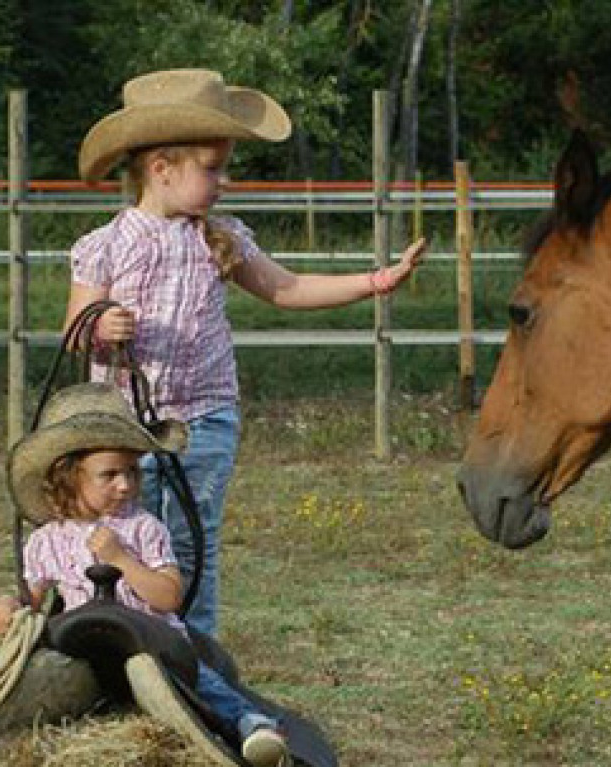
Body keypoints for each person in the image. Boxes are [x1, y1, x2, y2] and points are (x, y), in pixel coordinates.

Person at [66, 68, 426, 638]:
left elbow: (287, 288)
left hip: (205, 419)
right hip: (124, 425)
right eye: (212, 168)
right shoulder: (106, 245)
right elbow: (75, 329)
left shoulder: (223, 238)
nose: (224, 180)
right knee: (124, 534)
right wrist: (101, 325)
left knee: (192, 541)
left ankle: (196, 654)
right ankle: (126, 642)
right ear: (162, 169)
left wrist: (374, 282)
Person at [0, 382, 289, 767]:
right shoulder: (48, 540)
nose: (125, 485)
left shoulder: (145, 529)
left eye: (132, 472)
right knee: (24, 683)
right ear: (69, 477)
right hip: (85, 644)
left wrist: (121, 559)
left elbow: (168, 598)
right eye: (109, 475)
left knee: (199, 682)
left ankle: (250, 725)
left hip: (150, 641)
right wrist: (10, 606)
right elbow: (31, 596)